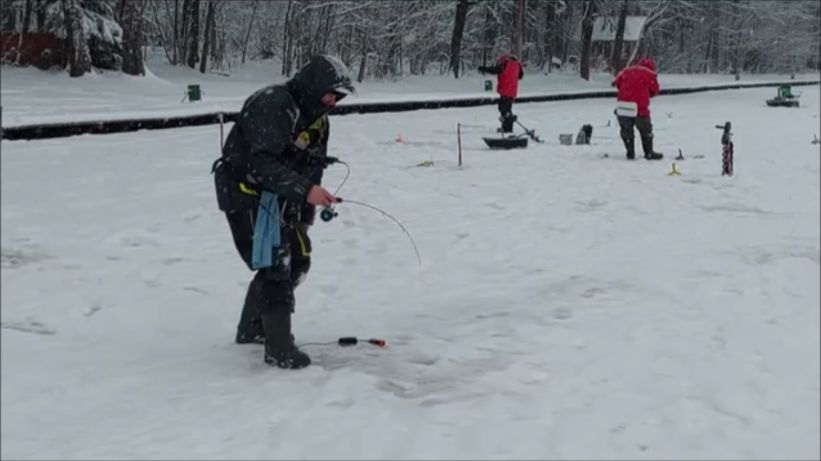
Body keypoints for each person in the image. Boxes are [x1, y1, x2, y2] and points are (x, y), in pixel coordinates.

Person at [211, 55, 355, 369]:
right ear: (314, 85)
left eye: (338, 97)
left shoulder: (319, 120)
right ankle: (279, 348)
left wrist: (305, 215)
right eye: (331, 93)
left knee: (298, 258)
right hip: (243, 194)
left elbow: (313, 167)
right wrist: (306, 191)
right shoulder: (274, 103)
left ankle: (253, 327)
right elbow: (262, 164)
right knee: (276, 260)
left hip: (281, 196)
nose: (333, 101)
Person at [612, 57, 663, 160]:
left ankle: (630, 152)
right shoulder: (650, 74)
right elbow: (655, 90)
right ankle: (649, 152)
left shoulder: (625, 71)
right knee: (646, 130)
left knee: (626, 130)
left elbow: (616, 84)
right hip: (640, 109)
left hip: (623, 107)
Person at [478, 53, 524, 133]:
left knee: (504, 109)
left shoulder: (505, 64)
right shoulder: (517, 65)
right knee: (506, 109)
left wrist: (484, 69)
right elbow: (520, 76)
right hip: (512, 91)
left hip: (505, 90)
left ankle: (507, 128)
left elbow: (495, 70)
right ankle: (507, 127)